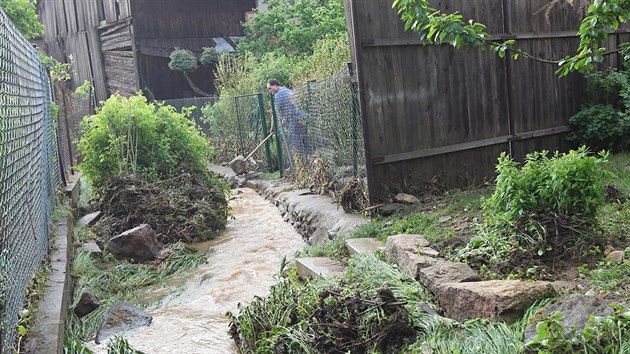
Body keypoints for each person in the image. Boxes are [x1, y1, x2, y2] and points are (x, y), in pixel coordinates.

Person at [266, 79, 313, 169]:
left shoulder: (279, 95)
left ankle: (297, 167)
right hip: (303, 117)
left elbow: (275, 115)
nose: (270, 91)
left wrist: (272, 128)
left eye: (270, 88)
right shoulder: (287, 90)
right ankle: (311, 163)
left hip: (295, 120)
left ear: (275, 85)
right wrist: (284, 120)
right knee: (306, 142)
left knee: (294, 143)